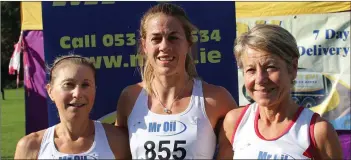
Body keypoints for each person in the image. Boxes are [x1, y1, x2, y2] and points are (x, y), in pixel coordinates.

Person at [114, 3, 238, 159]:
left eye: (173, 38)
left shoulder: (216, 99)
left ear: (188, 44)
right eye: (156, 39)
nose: (164, 46)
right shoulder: (130, 97)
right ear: (144, 46)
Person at [218, 24, 343, 159]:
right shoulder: (235, 122)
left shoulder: (318, 131)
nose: (260, 79)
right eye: (251, 70)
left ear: (293, 68)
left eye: (270, 67)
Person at [14, 55, 131, 159]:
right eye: (68, 85)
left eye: (85, 85)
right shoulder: (31, 146)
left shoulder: (118, 140)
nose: (78, 93)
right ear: (50, 91)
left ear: (94, 90)